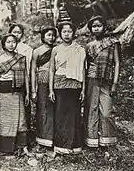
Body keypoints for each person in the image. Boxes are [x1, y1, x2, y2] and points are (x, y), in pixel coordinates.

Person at [49, 21, 86, 155]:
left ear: (73, 33)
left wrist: (83, 89)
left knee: (74, 115)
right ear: (60, 33)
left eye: (69, 31)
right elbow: (52, 70)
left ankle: (74, 146)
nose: (66, 34)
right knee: (60, 114)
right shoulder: (56, 49)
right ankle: (61, 146)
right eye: (64, 31)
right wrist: (50, 89)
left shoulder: (79, 49)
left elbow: (82, 70)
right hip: (59, 84)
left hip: (75, 84)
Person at [84, 15, 120, 148]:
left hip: (107, 80)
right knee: (91, 110)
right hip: (92, 80)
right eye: (94, 26)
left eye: (99, 25)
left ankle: (108, 140)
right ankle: (92, 140)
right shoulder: (89, 46)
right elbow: (85, 66)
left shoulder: (112, 42)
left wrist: (115, 83)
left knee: (106, 111)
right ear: (90, 29)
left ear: (104, 27)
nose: (96, 28)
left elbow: (117, 63)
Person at [0, 33, 30, 155]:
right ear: (4, 44)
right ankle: (6, 148)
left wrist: (28, 93)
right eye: (8, 42)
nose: (11, 44)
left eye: (13, 42)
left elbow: (25, 76)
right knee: (5, 120)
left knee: (21, 119)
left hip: (18, 92)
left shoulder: (21, 57)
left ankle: (21, 146)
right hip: (4, 92)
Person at [31, 26, 57, 151]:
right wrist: (33, 90)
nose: (51, 37)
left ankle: (53, 138)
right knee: (42, 110)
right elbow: (32, 71)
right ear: (43, 36)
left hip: (56, 82)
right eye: (48, 35)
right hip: (42, 81)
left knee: (54, 110)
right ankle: (42, 139)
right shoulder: (37, 51)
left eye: (53, 35)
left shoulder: (57, 50)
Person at [8, 23, 33, 131]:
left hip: (23, 80)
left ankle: (25, 133)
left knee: (24, 107)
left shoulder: (27, 49)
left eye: (19, 32)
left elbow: (29, 67)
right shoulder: (7, 47)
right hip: (10, 81)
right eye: (14, 32)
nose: (16, 35)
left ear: (22, 34)